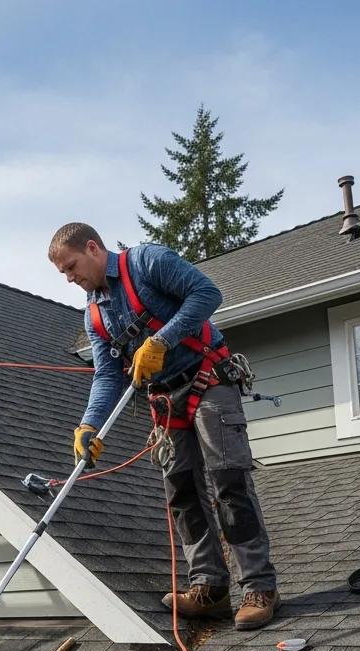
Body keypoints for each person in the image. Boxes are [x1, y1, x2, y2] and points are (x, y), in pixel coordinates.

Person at [48, 223, 279, 630]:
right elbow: (107, 375)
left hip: (209, 379)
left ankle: (259, 587)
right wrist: (89, 425)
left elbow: (209, 295)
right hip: (166, 400)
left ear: (92, 247)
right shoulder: (95, 316)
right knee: (183, 492)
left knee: (229, 483)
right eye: (63, 273)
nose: (70, 278)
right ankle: (209, 587)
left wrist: (162, 341)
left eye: (71, 266)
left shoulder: (147, 262)